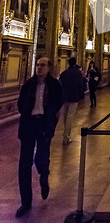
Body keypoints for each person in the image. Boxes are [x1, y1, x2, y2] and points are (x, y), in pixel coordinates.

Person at [16, 57, 63, 218]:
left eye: (42, 65)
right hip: (29, 125)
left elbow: (58, 103)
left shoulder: (55, 85)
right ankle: (25, 202)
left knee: (41, 159)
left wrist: (50, 120)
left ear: (49, 67)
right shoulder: (28, 84)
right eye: (37, 65)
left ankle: (44, 175)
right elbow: (20, 104)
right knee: (24, 164)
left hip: (44, 125)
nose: (39, 68)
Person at [59, 57, 85, 145]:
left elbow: (60, 85)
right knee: (70, 117)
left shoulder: (64, 73)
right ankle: (66, 136)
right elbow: (81, 85)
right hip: (74, 97)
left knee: (65, 116)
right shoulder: (78, 73)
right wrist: (81, 95)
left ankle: (65, 133)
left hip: (65, 97)